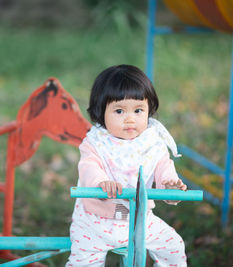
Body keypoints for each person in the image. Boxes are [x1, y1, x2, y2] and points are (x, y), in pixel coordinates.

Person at [66, 64, 188, 267]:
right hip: (95, 222)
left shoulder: (152, 144)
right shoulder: (96, 142)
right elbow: (89, 167)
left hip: (138, 221)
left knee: (173, 247)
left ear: (149, 109)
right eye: (120, 111)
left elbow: (163, 167)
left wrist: (170, 185)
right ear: (100, 112)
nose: (130, 118)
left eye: (138, 110)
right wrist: (101, 182)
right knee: (83, 262)